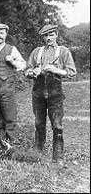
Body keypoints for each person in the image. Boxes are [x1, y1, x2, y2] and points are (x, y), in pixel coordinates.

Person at [25, 24, 76, 165]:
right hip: (38, 93)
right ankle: (37, 152)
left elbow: (71, 72)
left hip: (55, 94)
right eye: (46, 35)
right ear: (43, 37)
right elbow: (27, 70)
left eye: (51, 34)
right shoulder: (37, 52)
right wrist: (32, 72)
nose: (49, 38)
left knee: (57, 125)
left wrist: (56, 70)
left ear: (56, 35)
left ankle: (58, 157)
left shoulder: (63, 51)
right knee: (39, 123)